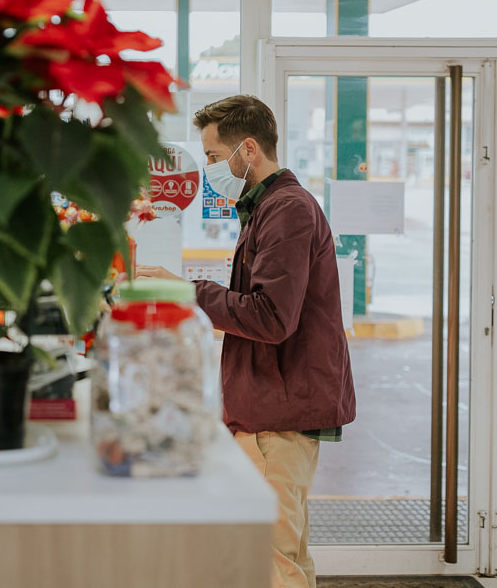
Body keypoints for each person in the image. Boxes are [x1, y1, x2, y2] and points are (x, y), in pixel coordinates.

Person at [136, 95, 355, 588]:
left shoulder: (287, 210)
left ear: (248, 150)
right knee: (287, 556)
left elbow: (271, 317)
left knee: (271, 563)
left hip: (278, 413)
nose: (210, 168)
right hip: (273, 406)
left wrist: (184, 290)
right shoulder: (267, 208)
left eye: (213, 156)